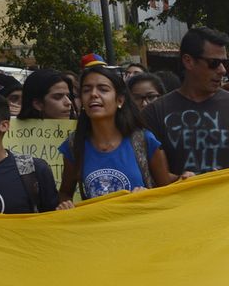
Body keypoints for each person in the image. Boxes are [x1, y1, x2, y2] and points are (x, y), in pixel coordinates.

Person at [142, 27, 229, 174]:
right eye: (214, 63)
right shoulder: (154, 113)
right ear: (188, 61)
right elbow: (151, 176)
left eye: (224, 63)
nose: (222, 70)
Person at [59, 64, 178, 205]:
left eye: (103, 89)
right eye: (86, 90)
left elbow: (167, 193)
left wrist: (148, 195)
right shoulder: (74, 145)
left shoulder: (144, 140)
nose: (93, 94)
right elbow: (65, 192)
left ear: (120, 100)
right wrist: (65, 204)